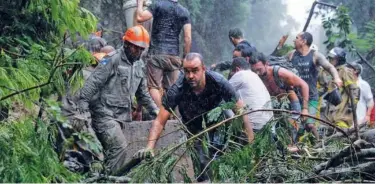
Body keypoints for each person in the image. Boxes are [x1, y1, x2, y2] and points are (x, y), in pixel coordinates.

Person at [136, 53, 253, 181]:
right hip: (195, 130)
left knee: (224, 157)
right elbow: (159, 121)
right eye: (187, 71)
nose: (190, 76)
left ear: (203, 69)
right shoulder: (177, 89)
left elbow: (241, 112)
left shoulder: (218, 82)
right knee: (202, 165)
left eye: (195, 70)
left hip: (220, 123)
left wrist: (252, 146)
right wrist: (150, 147)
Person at [77, 25, 159, 174]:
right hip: (104, 114)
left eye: (142, 48)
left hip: (122, 117)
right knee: (119, 147)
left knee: (115, 151)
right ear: (126, 44)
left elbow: (143, 93)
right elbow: (94, 82)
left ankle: (104, 175)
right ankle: (110, 178)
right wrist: (83, 104)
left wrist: (155, 110)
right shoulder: (111, 59)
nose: (139, 51)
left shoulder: (140, 65)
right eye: (136, 48)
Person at [136, 0, 192, 108]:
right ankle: (173, 117)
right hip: (174, 56)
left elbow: (140, 17)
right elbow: (188, 38)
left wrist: (139, 3)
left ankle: (161, 113)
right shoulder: (184, 11)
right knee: (173, 89)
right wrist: (185, 58)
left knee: (153, 87)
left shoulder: (158, 4)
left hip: (156, 54)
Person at [287, 32, 342, 139]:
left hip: (311, 97)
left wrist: (336, 77)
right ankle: (294, 146)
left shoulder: (315, 55)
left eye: (297, 38)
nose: (294, 40)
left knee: (310, 124)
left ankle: (319, 144)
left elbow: (330, 67)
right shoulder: (291, 54)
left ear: (304, 41)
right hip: (294, 97)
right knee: (294, 124)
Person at [250, 52, 309, 143]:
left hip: (291, 104)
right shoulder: (255, 78)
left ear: (266, 64)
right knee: (276, 135)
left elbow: (304, 85)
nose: (257, 73)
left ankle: (294, 148)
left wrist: (305, 109)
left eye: (259, 69)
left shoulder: (279, 73)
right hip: (275, 108)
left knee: (291, 131)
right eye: (254, 71)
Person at [229, 57, 273, 132]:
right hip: (270, 125)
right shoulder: (255, 75)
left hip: (254, 127)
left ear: (237, 69)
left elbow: (222, 91)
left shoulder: (240, 74)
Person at [321, 47, 360, 128]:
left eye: (332, 59)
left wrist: (351, 106)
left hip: (342, 115)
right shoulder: (330, 72)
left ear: (339, 60)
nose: (330, 60)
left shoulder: (345, 71)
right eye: (330, 58)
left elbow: (354, 91)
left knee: (340, 136)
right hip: (329, 114)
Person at [348, 62, 373, 126]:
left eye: (349, 68)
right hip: (345, 117)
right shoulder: (346, 83)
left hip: (359, 118)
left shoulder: (363, 84)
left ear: (356, 71)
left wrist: (368, 115)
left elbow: (370, 101)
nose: (347, 70)